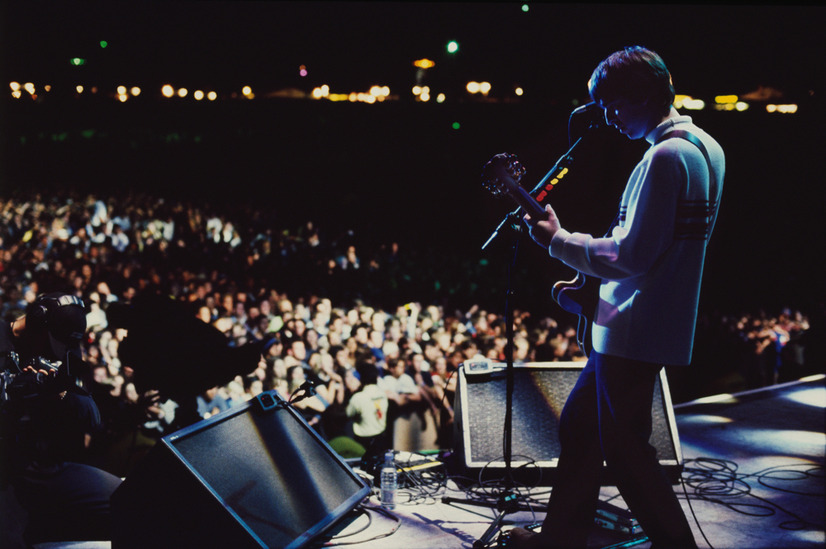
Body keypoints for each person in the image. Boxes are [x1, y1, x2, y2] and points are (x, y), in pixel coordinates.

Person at [511, 46, 724, 548]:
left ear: (645, 95)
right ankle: (560, 538)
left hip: (632, 327)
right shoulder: (707, 147)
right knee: (583, 429)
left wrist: (557, 241)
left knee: (627, 453)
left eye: (613, 104)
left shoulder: (665, 157)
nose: (607, 117)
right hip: (647, 321)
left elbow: (630, 256)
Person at [0, 292, 123, 544]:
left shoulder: (62, 350)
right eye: (50, 343)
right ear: (36, 320)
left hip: (43, 466)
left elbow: (92, 416)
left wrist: (60, 392)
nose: (53, 351)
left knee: (126, 499)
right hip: (5, 469)